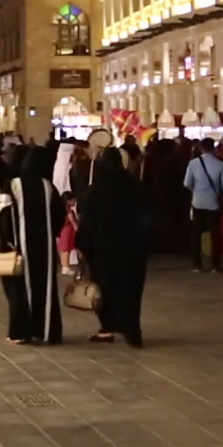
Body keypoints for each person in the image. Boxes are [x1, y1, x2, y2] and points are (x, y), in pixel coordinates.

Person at [76, 148, 151, 347]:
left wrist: (82, 245)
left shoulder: (95, 190)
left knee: (106, 288)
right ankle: (132, 330)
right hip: (133, 247)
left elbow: (87, 221)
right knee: (131, 289)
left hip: (104, 248)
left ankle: (107, 327)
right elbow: (147, 215)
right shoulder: (135, 186)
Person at [4, 146, 66, 344]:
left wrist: (4, 242)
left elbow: (2, 217)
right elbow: (59, 216)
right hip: (45, 248)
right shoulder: (48, 187)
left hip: (18, 247)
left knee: (20, 289)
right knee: (45, 287)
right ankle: (46, 330)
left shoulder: (13, 185)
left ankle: (21, 332)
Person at [183, 139, 223, 272]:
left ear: (201, 148)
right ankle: (215, 264)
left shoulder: (193, 163)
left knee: (196, 233)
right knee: (215, 234)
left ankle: (196, 265)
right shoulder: (220, 164)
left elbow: (187, 183)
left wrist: (197, 190)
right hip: (213, 203)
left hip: (197, 202)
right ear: (214, 148)